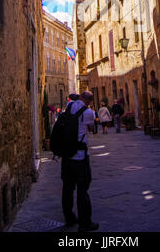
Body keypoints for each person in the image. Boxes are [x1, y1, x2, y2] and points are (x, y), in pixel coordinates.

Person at [61, 91, 99, 232]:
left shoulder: (70, 105)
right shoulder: (89, 112)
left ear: (80, 97)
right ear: (89, 101)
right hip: (80, 156)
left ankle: (69, 218)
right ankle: (85, 223)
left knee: (67, 188)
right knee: (82, 190)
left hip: (66, 156)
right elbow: (90, 128)